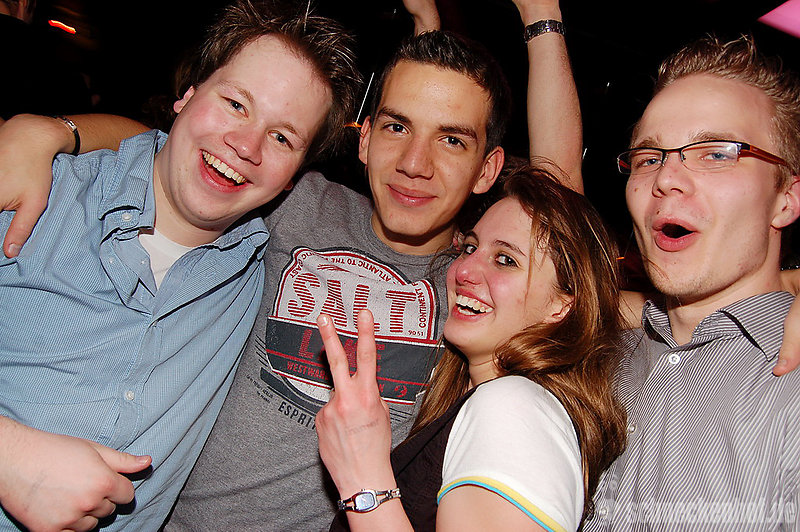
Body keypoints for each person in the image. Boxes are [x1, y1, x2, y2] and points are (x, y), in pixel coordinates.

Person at [0, 1, 583, 528]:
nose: (414, 163)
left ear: (487, 169)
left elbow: (564, 226)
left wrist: (543, 20)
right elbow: (184, 146)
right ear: (363, 140)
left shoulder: (473, 288)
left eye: (451, 141)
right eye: (396, 126)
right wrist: (50, 132)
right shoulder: (295, 203)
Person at [0, 1, 361, 531]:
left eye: (282, 137)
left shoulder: (265, 268)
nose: (245, 145)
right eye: (235, 104)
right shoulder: (33, 194)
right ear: (186, 97)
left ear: (293, 179)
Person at [316, 165, 626, 532]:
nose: (464, 271)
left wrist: (363, 479)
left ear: (561, 305)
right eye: (470, 248)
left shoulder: (512, 406)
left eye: (506, 260)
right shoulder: (484, 399)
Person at [583, 35, 800, 530]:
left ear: (786, 199)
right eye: (649, 158)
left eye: (716, 153)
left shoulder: (789, 388)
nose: (666, 178)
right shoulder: (596, 363)